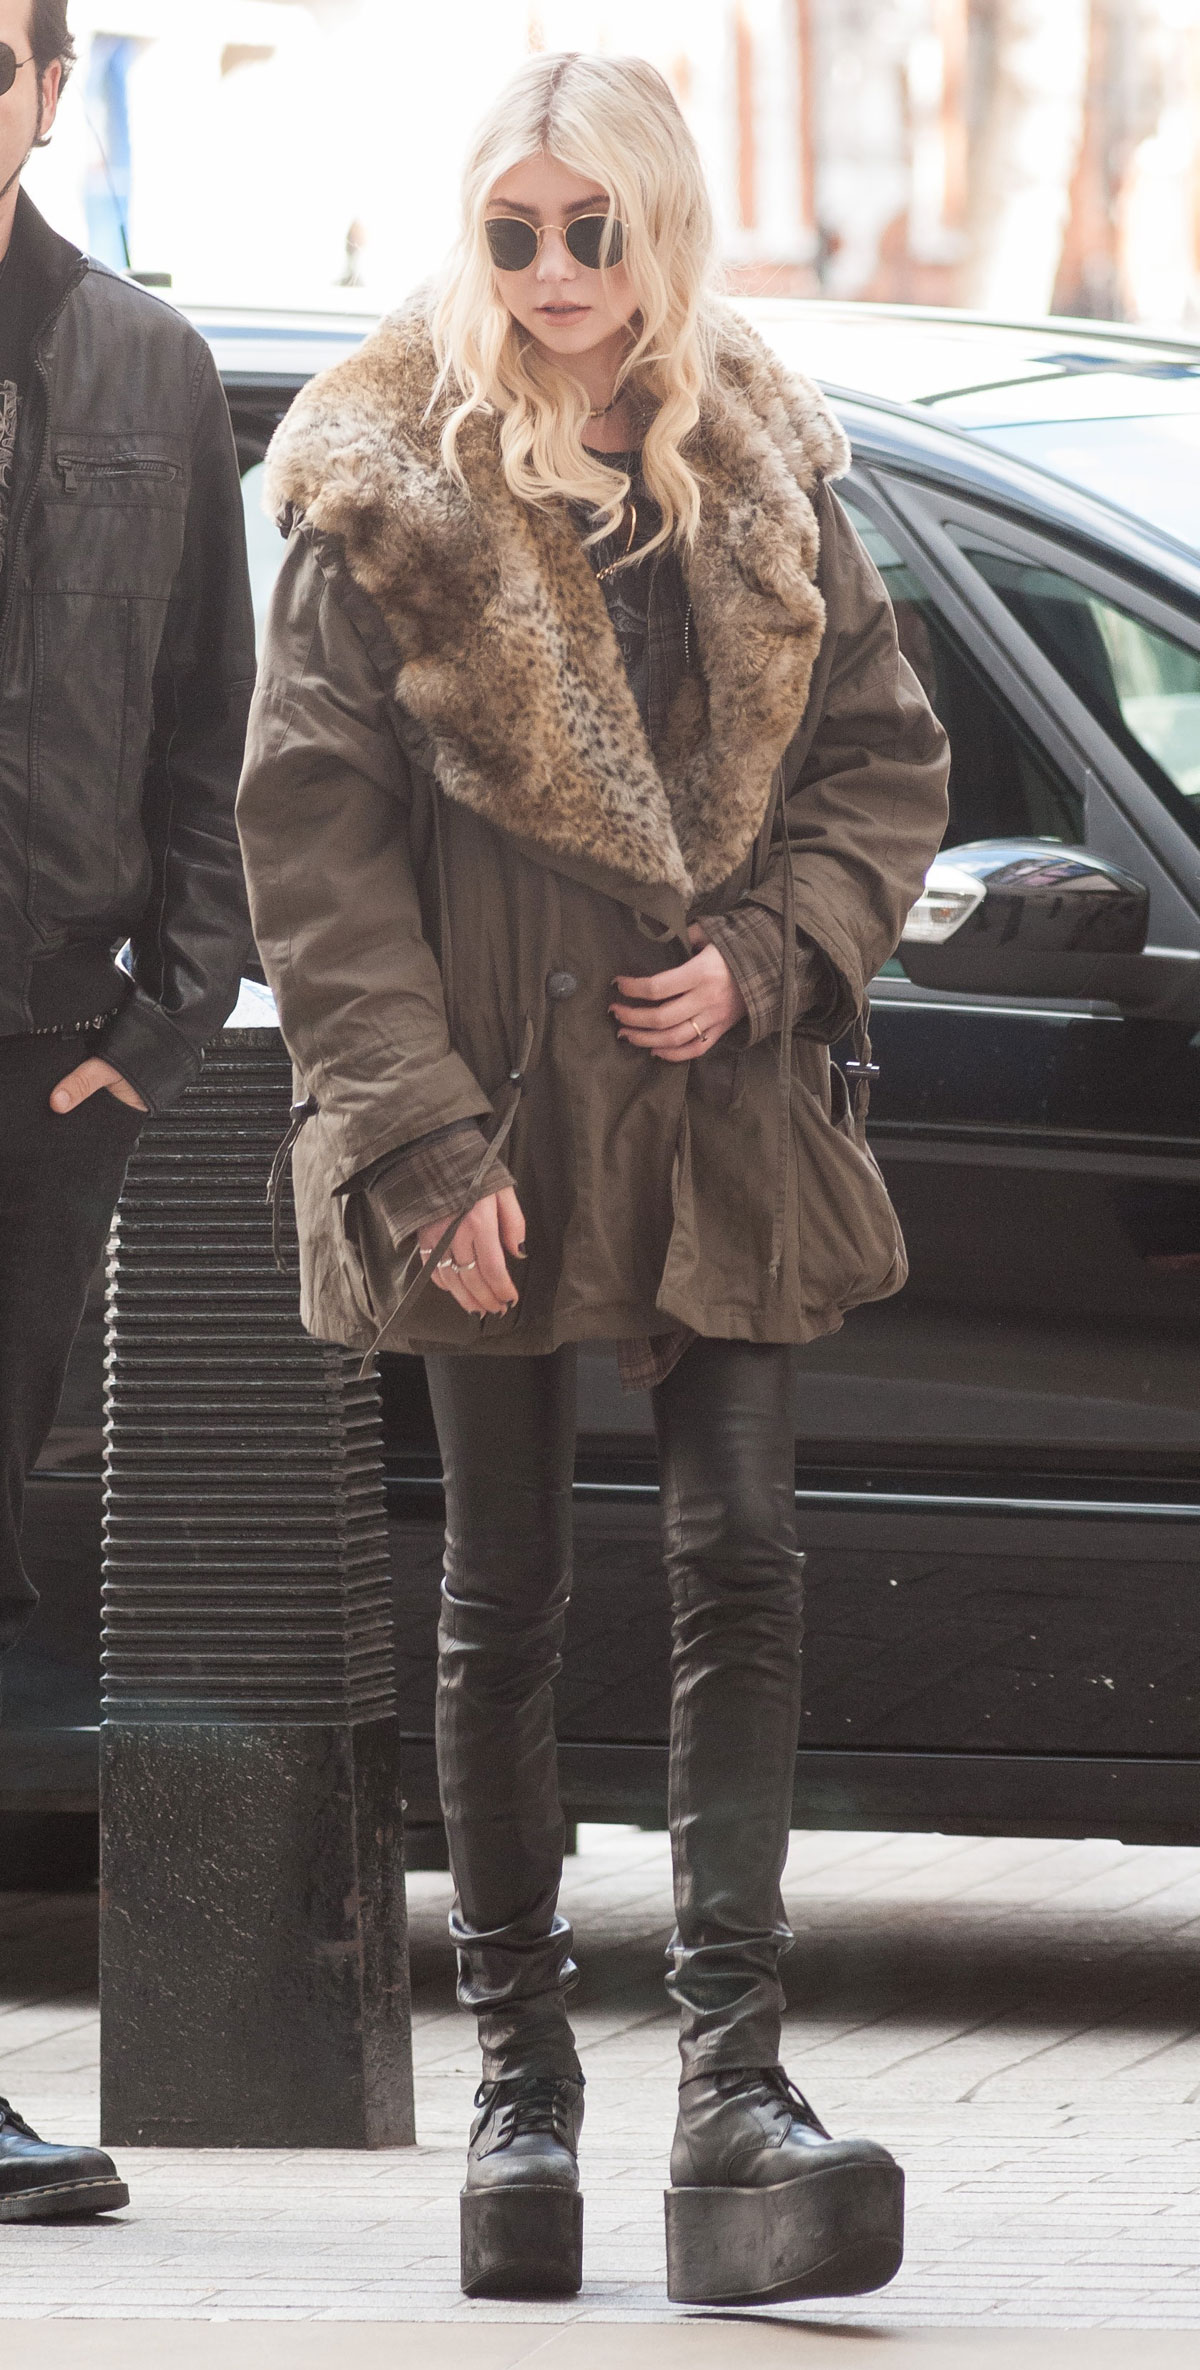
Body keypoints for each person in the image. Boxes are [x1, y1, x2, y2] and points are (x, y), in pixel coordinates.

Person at [237, 50, 949, 2307]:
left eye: (592, 229)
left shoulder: (763, 456)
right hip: (502, 1123)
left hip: (717, 1111)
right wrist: (422, 1140)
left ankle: (735, 2085)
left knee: (746, 1556)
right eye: (515, 232)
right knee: (509, 1593)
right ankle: (521, 2099)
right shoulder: (388, 479)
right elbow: (311, 848)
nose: (552, 271)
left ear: (660, 226)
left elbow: (883, 763)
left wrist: (771, 955)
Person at [0, 0, 255, 2220]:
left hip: (31, 1075)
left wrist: (156, 1034)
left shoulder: (147, 371)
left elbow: (211, 734)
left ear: (45, 86)